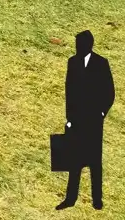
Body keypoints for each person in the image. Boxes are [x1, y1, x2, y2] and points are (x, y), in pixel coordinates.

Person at [62, 30, 115, 210]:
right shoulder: (73, 62)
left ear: (88, 45)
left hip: (93, 122)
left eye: (80, 44)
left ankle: (97, 200)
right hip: (76, 121)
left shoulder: (101, 63)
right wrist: (69, 118)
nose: (78, 48)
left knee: (94, 162)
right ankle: (70, 199)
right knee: (74, 161)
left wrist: (101, 113)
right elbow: (69, 92)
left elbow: (109, 92)